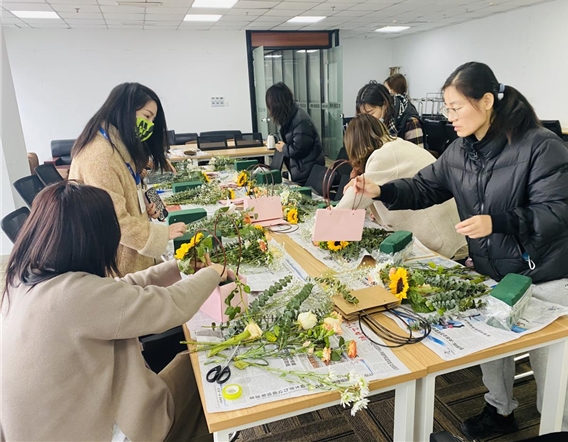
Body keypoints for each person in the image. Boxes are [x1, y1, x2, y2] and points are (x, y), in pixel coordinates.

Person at [352, 62, 568, 439]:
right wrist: (383, 190)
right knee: (494, 352)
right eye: (447, 108)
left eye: (456, 107)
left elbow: (563, 208)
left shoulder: (539, 145)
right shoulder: (460, 151)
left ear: (487, 101)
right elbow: (425, 187)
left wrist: (498, 222)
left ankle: (564, 432)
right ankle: (500, 410)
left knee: (554, 373)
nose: (449, 116)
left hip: (545, 275)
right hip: (495, 272)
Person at [1, 182, 231, 441]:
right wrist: (213, 273)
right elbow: (172, 305)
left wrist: (178, 267)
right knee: (208, 368)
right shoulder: (75, 296)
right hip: (105, 432)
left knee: (187, 363)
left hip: (53, 424)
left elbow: (119, 290)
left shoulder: (23, 280)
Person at [70, 83, 186, 275]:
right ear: (124, 111)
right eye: (146, 116)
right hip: (115, 265)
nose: (150, 125)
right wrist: (162, 234)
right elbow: (115, 222)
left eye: (153, 119)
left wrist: (142, 202)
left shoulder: (116, 146)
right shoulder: (100, 156)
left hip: (130, 256)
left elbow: (123, 188)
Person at [337, 114, 466, 259]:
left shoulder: (383, 156)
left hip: (442, 240)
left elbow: (351, 203)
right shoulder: (396, 145)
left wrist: (326, 223)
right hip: (454, 231)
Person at [266, 82, 325, 185]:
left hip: (309, 172)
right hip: (302, 169)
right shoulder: (290, 117)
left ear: (277, 104)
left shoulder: (300, 120)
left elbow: (300, 149)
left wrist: (284, 148)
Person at [356, 81, 423, 146]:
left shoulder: (411, 122)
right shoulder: (372, 124)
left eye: (371, 113)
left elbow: (417, 153)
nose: (367, 119)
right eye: (363, 115)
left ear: (384, 105)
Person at [384, 73, 424, 146]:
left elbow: (418, 149)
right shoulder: (390, 117)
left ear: (392, 91)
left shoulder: (411, 120)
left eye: (386, 90)